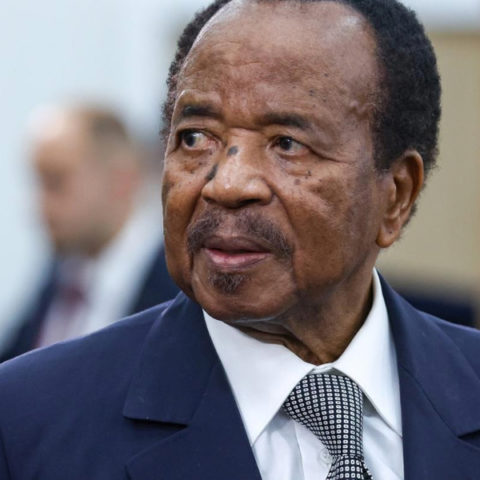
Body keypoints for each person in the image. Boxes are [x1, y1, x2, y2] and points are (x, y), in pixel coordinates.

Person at [0, 0, 479, 478]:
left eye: (287, 144)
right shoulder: (27, 424)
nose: (226, 185)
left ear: (397, 195)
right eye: (195, 137)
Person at [0, 106, 178, 361]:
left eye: (56, 182)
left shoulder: (177, 286)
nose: (39, 206)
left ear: (121, 181)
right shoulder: (62, 269)